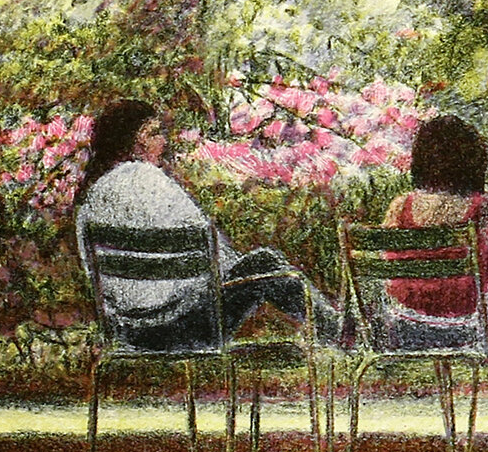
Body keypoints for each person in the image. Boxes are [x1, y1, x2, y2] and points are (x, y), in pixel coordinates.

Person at [73, 99, 339, 349]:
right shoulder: (149, 180)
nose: (163, 142)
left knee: (259, 266)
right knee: (265, 263)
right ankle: (343, 334)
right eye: (155, 133)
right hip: (186, 328)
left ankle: (341, 332)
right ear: (137, 141)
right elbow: (210, 252)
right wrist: (239, 272)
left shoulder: (92, 194)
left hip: (126, 332)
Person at [376, 115, 488, 350]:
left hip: (404, 321)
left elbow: (385, 265)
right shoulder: (485, 207)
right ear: (473, 161)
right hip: (468, 325)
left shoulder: (400, 206)